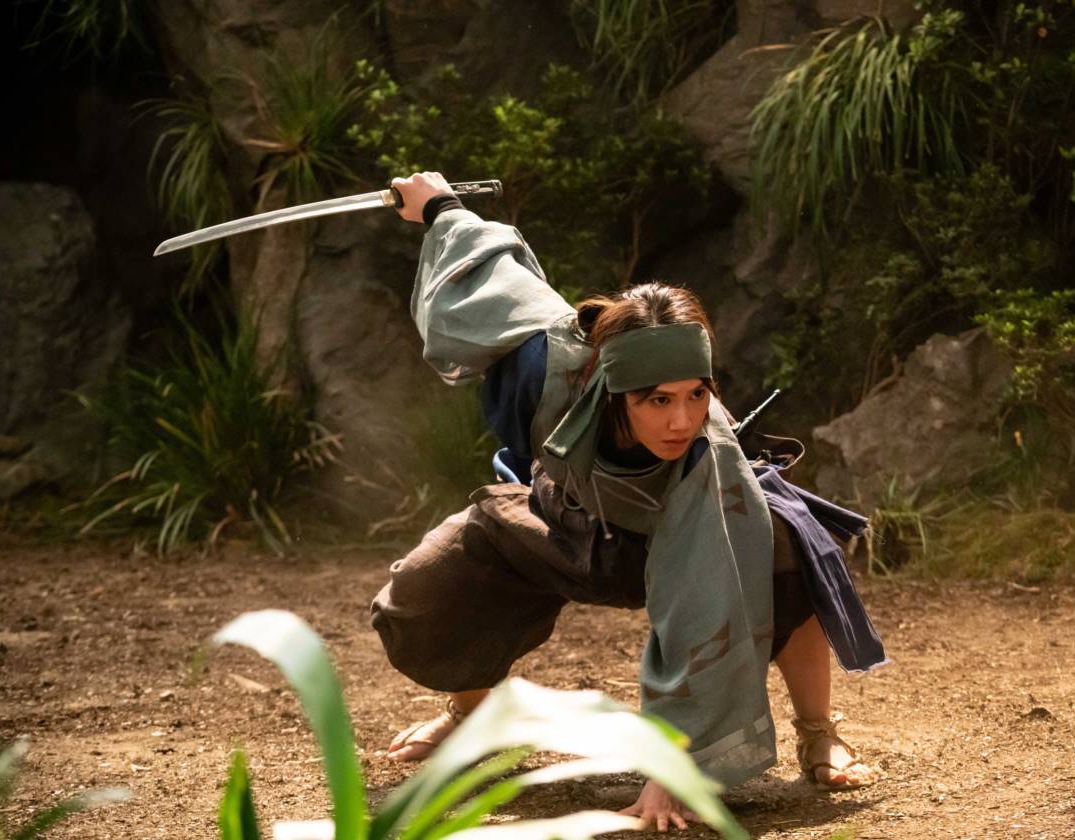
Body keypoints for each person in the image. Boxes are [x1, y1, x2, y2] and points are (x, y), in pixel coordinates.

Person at [371, 171, 888, 831]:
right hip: (565, 516)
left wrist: (672, 771)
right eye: (658, 400)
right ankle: (472, 716)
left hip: (682, 532)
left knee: (790, 550)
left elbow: (704, 619)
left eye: (696, 394)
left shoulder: (707, 458)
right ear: (614, 388)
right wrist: (440, 205)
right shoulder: (551, 361)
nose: (681, 420)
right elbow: (496, 279)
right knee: (438, 576)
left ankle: (818, 730)